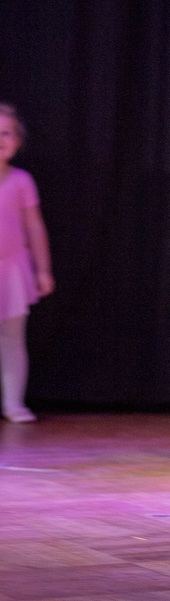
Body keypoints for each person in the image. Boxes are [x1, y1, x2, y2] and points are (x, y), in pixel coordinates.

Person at [0, 104, 54, 423]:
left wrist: (43, 269)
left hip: (12, 270)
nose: (0, 140)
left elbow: (34, 227)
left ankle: (13, 403)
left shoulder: (21, 181)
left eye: (6, 133)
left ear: (18, 142)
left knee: (12, 339)